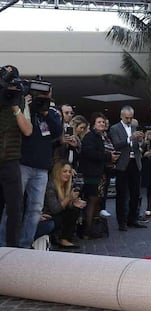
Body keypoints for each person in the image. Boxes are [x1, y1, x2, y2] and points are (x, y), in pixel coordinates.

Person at [18, 85, 63, 248]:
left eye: (47, 95)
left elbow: (58, 132)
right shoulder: (25, 107)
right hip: (23, 164)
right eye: (41, 94)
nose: (43, 98)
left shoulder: (50, 113)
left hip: (42, 168)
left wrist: (45, 112)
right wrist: (26, 106)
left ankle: (24, 244)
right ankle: (4, 243)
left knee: (35, 209)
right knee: (14, 206)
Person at [0, 65, 33, 247]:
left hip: (11, 161)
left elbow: (28, 131)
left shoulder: (19, 101)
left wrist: (15, 107)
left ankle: (12, 248)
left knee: (14, 207)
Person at [78, 112, 118, 239]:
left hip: (99, 173)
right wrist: (108, 156)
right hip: (91, 173)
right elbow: (90, 153)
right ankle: (87, 230)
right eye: (99, 122)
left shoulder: (100, 137)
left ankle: (91, 229)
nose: (102, 124)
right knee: (92, 200)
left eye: (103, 122)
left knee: (96, 201)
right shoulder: (90, 137)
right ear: (93, 124)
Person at [109, 105, 147, 231]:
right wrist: (130, 138)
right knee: (122, 194)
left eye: (131, 118)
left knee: (135, 193)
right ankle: (121, 221)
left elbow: (138, 146)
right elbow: (116, 144)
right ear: (121, 116)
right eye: (127, 118)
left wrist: (141, 140)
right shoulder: (115, 128)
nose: (129, 120)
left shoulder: (135, 127)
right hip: (122, 164)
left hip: (135, 162)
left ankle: (133, 219)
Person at [41, 160, 86, 248]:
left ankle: (64, 238)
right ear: (58, 172)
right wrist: (69, 198)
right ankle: (61, 238)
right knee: (69, 213)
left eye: (69, 172)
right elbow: (55, 209)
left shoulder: (67, 185)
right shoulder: (51, 186)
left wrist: (74, 202)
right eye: (64, 171)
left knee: (75, 209)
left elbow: (66, 206)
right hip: (48, 215)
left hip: (59, 214)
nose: (68, 174)